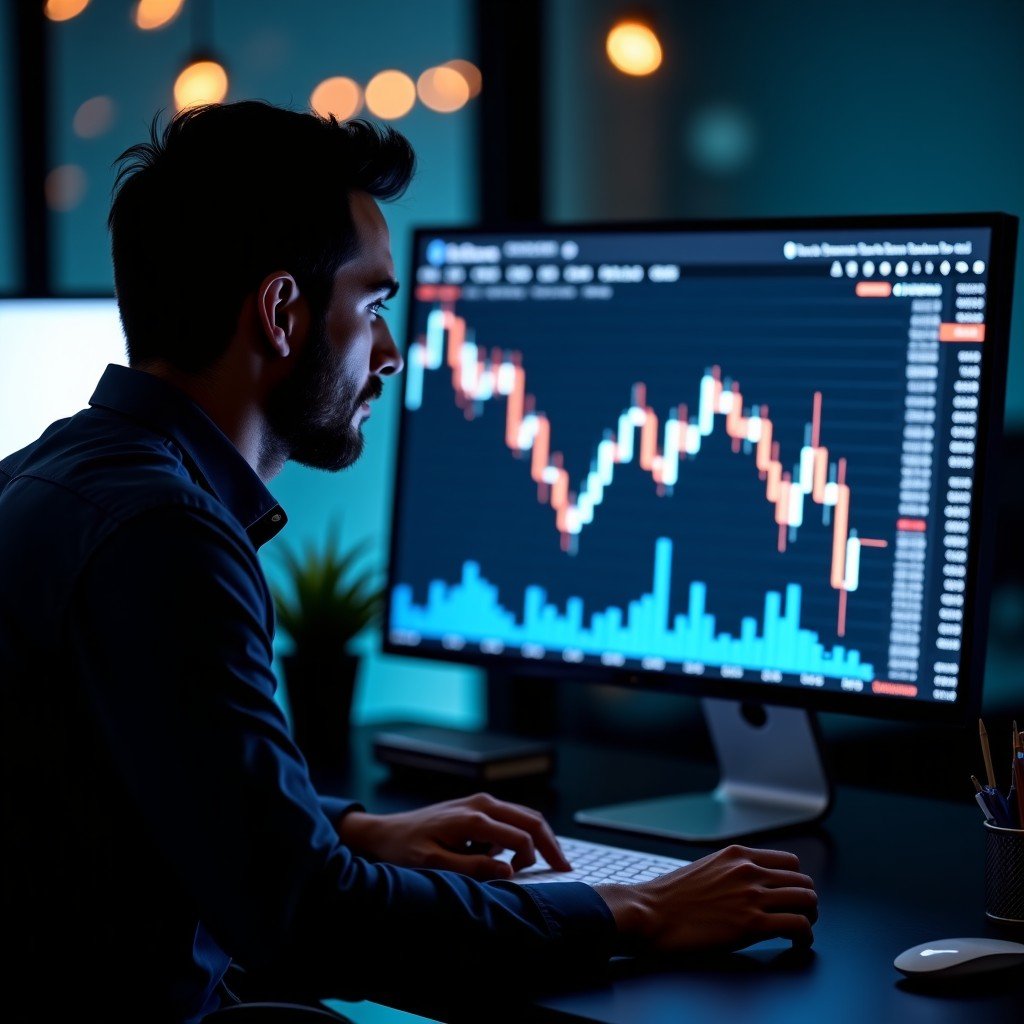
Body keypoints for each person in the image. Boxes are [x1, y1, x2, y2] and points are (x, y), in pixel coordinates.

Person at [0, 101, 817, 1022]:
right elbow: (308, 918)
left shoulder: (45, 475)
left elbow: (144, 780)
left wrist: (352, 829)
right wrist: (631, 908)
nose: (390, 353)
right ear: (280, 312)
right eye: (375, 304)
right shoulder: (165, 536)